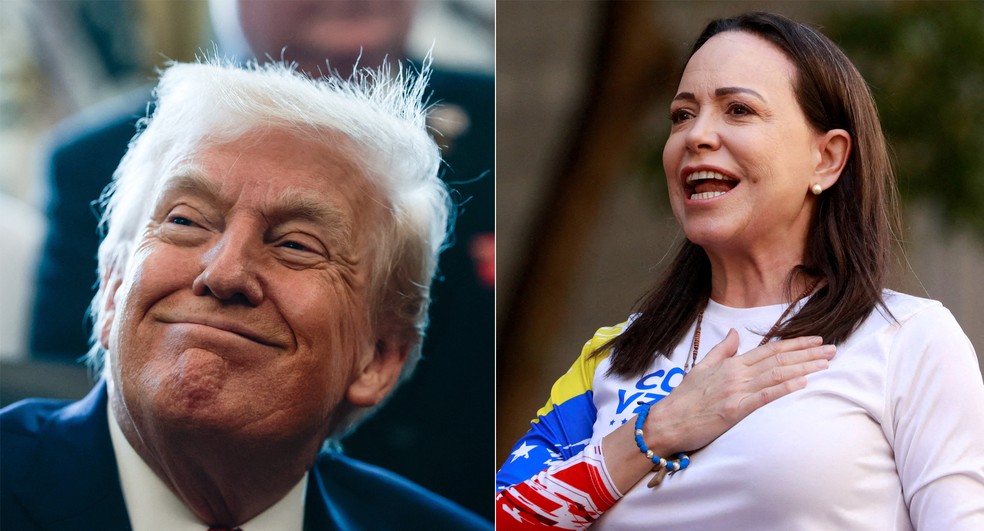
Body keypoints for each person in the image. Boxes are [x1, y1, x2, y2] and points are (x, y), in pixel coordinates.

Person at [496, 12, 984, 530]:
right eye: (682, 115)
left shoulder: (907, 339)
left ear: (827, 158)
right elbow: (499, 517)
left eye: (739, 109)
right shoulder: (613, 356)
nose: (697, 135)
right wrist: (654, 432)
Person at [28, 0, 493, 516]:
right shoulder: (101, 153)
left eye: (296, 245)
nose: (225, 272)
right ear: (112, 287)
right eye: (185, 221)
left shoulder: (502, 124)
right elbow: (61, 376)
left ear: (380, 356)